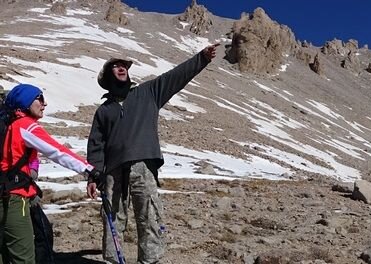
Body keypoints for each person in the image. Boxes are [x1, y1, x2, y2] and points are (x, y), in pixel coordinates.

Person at [86, 44, 218, 264]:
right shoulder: (104, 110)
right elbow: (96, 145)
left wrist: (201, 59)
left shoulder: (148, 92)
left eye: (124, 66)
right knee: (112, 220)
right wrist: (93, 175)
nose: (121, 68)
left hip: (143, 167)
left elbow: (175, 77)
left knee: (149, 217)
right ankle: (112, 261)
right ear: (108, 75)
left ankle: (149, 261)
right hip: (113, 171)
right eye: (116, 66)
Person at [1, 84, 95, 264]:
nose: (45, 104)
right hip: (14, 198)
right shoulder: (25, 125)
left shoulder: (7, 124)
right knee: (24, 258)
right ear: (26, 102)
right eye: (40, 99)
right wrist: (89, 169)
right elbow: (57, 151)